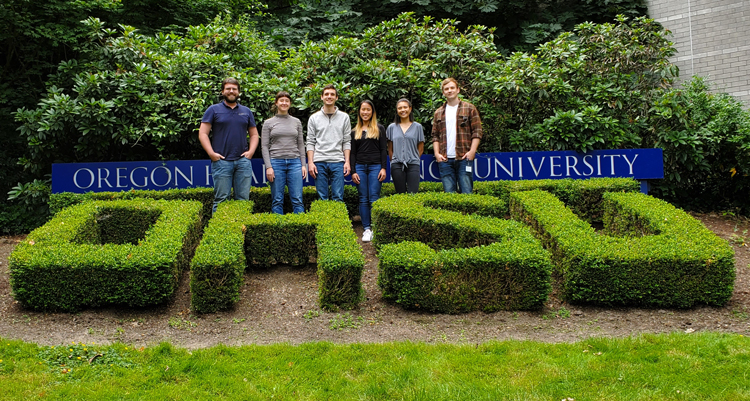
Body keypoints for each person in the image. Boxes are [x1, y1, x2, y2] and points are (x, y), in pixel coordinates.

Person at [199, 77, 259, 213]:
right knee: (221, 200)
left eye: (234, 89)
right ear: (222, 91)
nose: (231, 91)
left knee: (243, 199)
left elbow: (254, 135)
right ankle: (218, 232)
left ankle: (240, 230)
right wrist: (211, 154)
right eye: (228, 89)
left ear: (238, 92)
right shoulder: (213, 110)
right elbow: (203, 133)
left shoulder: (246, 111)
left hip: (243, 161)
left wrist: (250, 153)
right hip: (221, 162)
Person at [431, 77, 483, 194]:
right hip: (445, 159)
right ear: (443, 92)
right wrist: (437, 154)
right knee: (449, 194)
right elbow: (435, 135)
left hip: (464, 157)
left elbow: (477, 131)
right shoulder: (438, 112)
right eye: (446, 89)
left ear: (458, 90)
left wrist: (472, 151)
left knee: (467, 192)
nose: (450, 91)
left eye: (452, 88)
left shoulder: (469, 108)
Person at [261, 91, 307, 214]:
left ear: (290, 103)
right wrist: (269, 167)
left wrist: (303, 164)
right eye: (281, 100)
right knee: (277, 200)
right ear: (276, 103)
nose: (284, 103)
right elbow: (264, 146)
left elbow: (301, 144)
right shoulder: (268, 123)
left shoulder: (296, 122)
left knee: (297, 199)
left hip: (295, 163)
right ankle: (278, 228)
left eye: (287, 101)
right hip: (276, 163)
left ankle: (301, 229)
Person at [306, 84, 352, 201]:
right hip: (319, 161)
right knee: (322, 198)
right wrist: (310, 163)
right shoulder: (313, 118)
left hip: (337, 161)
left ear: (336, 98)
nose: (329, 96)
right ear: (321, 97)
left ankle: (339, 220)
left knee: (338, 197)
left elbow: (346, 141)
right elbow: (310, 141)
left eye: (332, 94)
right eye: (326, 94)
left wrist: (347, 162)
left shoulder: (344, 117)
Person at [350, 100, 387, 242]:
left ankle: (375, 228)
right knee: (363, 198)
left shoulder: (379, 128)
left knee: (374, 198)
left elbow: (383, 150)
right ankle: (366, 229)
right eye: (363, 109)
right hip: (360, 167)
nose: (365, 112)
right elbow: (352, 153)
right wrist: (353, 171)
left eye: (368, 110)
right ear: (359, 112)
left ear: (372, 112)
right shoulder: (355, 131)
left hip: (375, 167)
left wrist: (383, 168)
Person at [387, 98, 424, 194]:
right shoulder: (391, 127)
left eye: (405, 107)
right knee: (400, 194)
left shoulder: (417, 127)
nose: (403, 110)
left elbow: (420, 147)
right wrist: (394, 160)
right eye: (400, 108)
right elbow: (390, 148)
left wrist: (414, 158)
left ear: (410, 108)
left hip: (413, 164)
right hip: (397, 165)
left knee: (413, 193)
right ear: (397, 110)